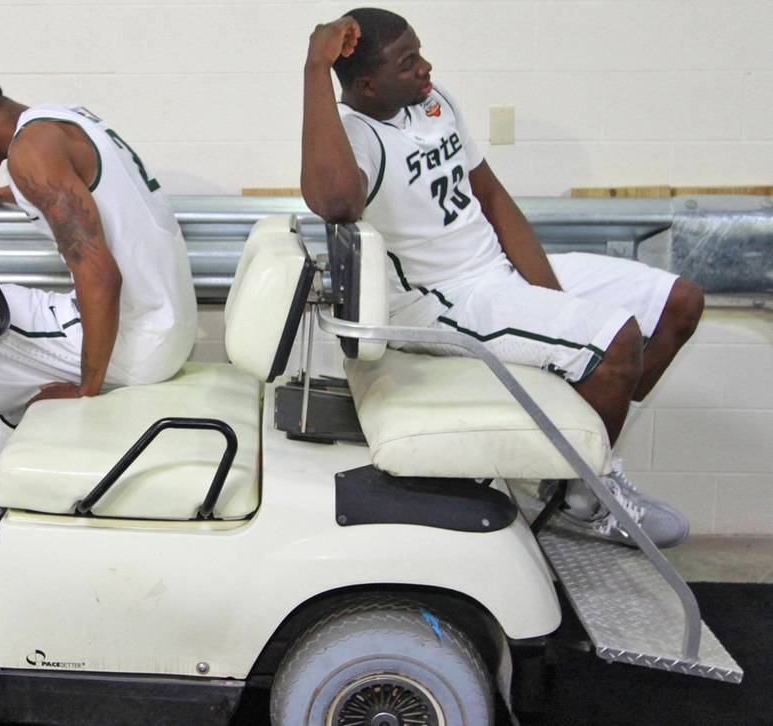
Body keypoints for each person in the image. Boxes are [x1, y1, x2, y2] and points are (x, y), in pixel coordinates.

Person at [300, 9, 705, 547]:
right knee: (617, 342)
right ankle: (583, 497)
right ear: (369, 83)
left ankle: (577, 460)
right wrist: (313, 69)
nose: (426, 67)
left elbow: (490, 195)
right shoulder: (356, 134)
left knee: (681, 302)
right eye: (408, 62)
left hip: (498, 271)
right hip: (443, 300)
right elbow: (336, 202)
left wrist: (550, 301)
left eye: (420, 52)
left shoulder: (432, 99)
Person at [0, 68, 198, 528]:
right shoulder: (59, 123)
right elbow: (65, 181)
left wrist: (87, 387)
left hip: (139, 337)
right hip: (167, 322)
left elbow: (101, 277)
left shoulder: (31, 153)